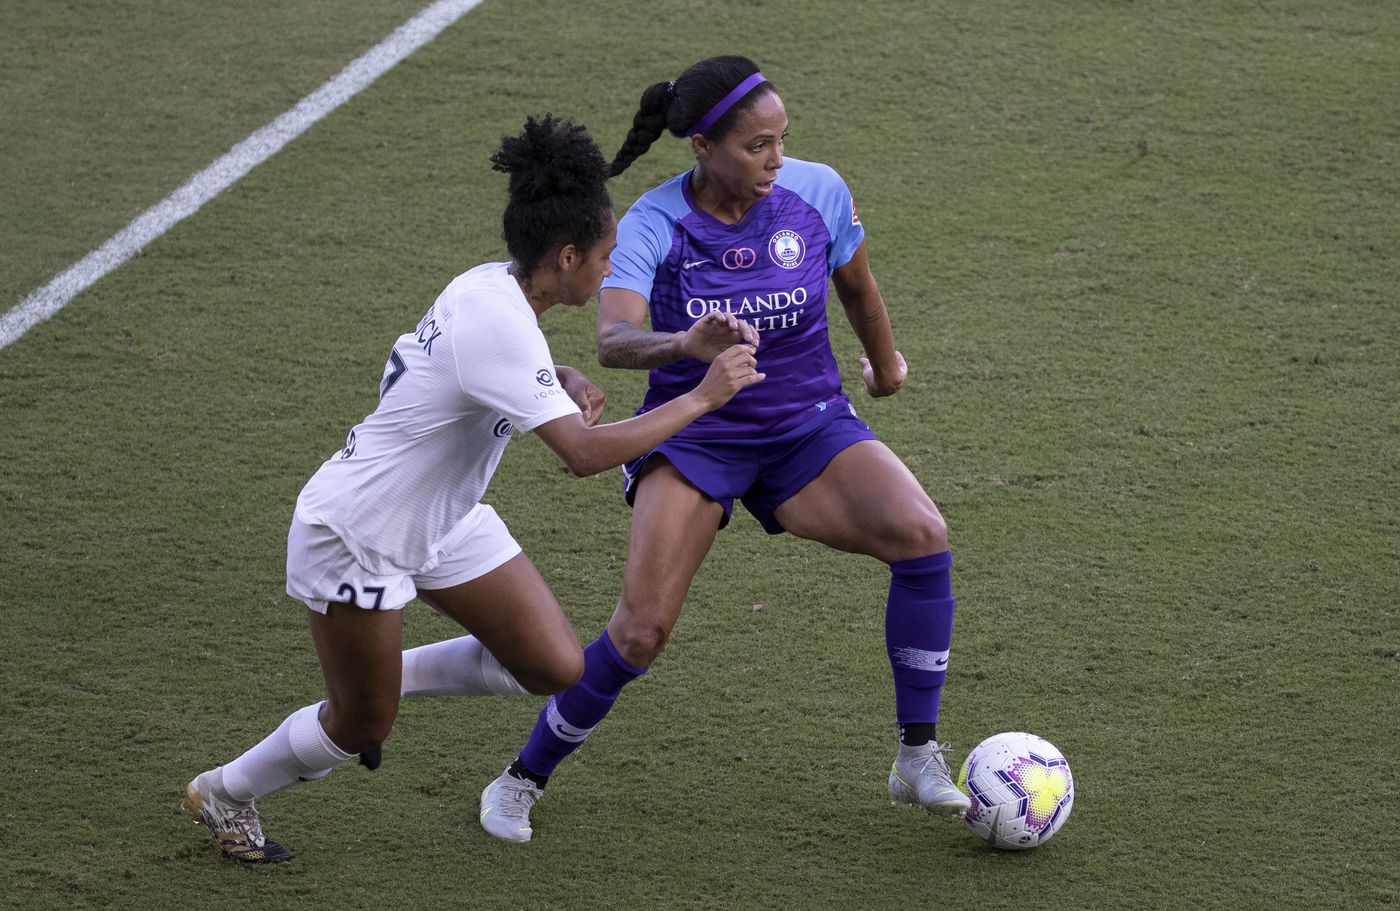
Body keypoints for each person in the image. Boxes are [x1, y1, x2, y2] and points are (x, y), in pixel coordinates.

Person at [180, 114, 763, 863]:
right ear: (566, 256)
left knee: (553, 666)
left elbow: (476, 368)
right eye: (605, 256)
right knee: (361, 726)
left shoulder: (492, 287)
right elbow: (582, 454)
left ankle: (379, 675)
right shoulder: (498, 320)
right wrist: (703, 397)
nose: (610, 269)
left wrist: (558, 375)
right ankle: (225, 791)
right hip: (359, 534)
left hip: (443, 517)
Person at [478, 56, 970, 844]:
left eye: (782, 141)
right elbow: (612, 338)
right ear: (703, 146)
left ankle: (916, 756)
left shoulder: (818, 192)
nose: (777, 160)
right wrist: (684, 343)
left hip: (806, 423)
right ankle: (521, 777)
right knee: (640, 631)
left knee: (922, 533)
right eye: (757, 146)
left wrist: (885, 366)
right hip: (694, 432)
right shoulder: (652, 222)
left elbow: (857, 285)